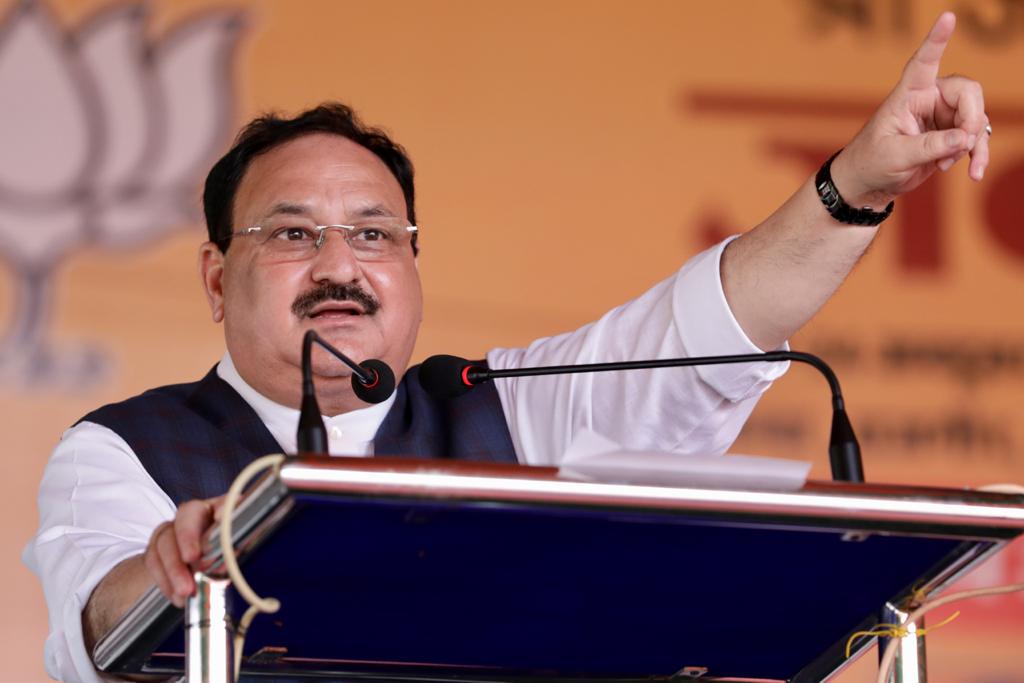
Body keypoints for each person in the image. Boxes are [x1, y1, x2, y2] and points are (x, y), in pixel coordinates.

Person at [24, 12, 990, 683]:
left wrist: (854, 185)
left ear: (411, 264)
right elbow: (91, 622)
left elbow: (716, 324)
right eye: (290, 233)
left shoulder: (508, 405)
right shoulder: (125, 448)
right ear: (213, 277)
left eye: (373, 233)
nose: (338, 264)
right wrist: (165, 569)